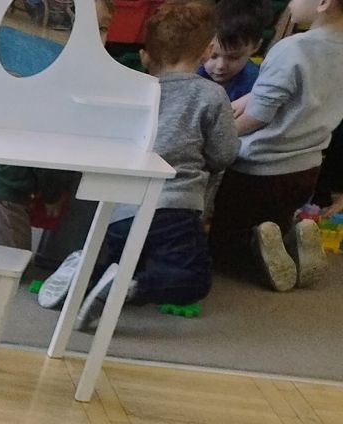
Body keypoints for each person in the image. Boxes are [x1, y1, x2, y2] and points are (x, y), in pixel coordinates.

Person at [75, 1, 240, 324]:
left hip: (119, 210)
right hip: (174, 207)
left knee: (126, 263)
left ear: (144, 56)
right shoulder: (210, 95)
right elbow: (225, 154)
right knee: (194, 278)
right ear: (207, 52)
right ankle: (126, 288)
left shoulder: (132, 91)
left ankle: (87, 276)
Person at [213, 0, 343, 289]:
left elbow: (259, 116)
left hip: (257, 169)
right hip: (307, 169)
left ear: (324, 3)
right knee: (272, 224)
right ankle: (291, 241)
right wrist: (248, 99)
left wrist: (220, 134)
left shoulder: (292, 48)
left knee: (224, 248)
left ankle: (255, 256)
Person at [200, 0, 268, 98]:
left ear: (256, 46)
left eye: (233, 58)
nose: (220, 66)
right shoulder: (191, 72)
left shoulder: (255, 85)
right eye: (212, 56)